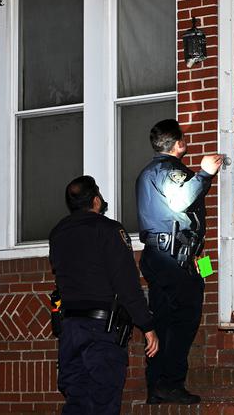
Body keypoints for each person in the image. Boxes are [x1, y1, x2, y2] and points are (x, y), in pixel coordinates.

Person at [49, 175, 159, 415]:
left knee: (77, 401)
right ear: (96, 200)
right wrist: (147, 325)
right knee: (103, 401)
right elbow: (126, 284)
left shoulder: (57, 233)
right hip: (101, 331)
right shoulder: (109, 230)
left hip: (70, 330)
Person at [136, 119, 222, 405]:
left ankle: (157, 385)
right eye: (183, 138)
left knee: (163, 320)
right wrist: (205, 173)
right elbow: (181, 201)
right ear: (178, 144)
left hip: (165, 256)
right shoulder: (167, 171)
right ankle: (170, 383)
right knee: (184, 318)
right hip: (173, 258)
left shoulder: (150, 172)